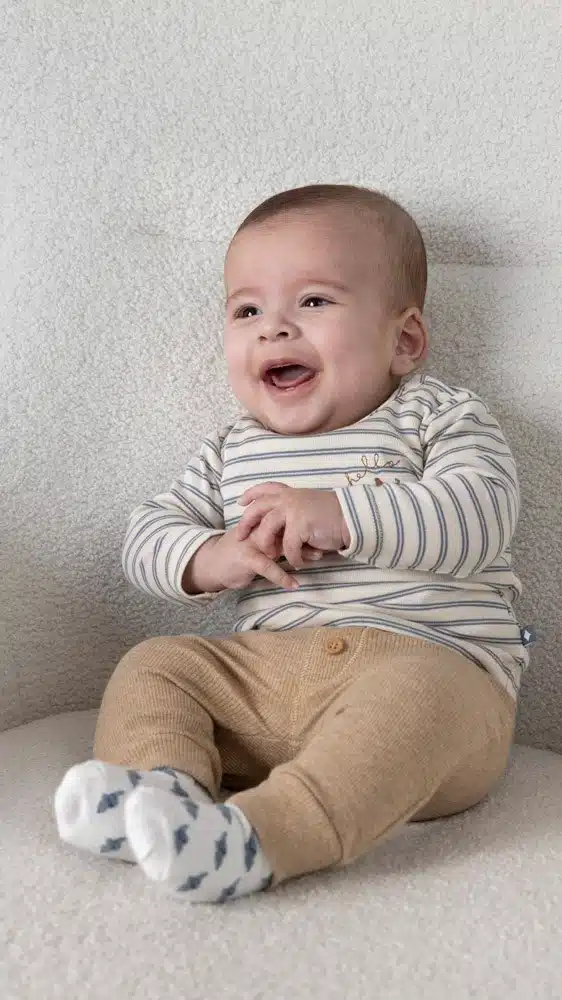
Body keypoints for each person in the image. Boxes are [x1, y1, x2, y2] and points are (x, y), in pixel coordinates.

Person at [54, 183, 530, 904]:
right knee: (157, 663)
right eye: (247, 311)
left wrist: (342, 515)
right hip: (266, 682)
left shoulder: (438, 417)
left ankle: (263, 836)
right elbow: (146, 534)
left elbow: (479, 516)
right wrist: (210, 558)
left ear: (404, 340)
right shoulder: (231, 450)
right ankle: (164, 794)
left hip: (430, 671)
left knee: (418, 698)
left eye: (312, 301)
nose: (273, 329)